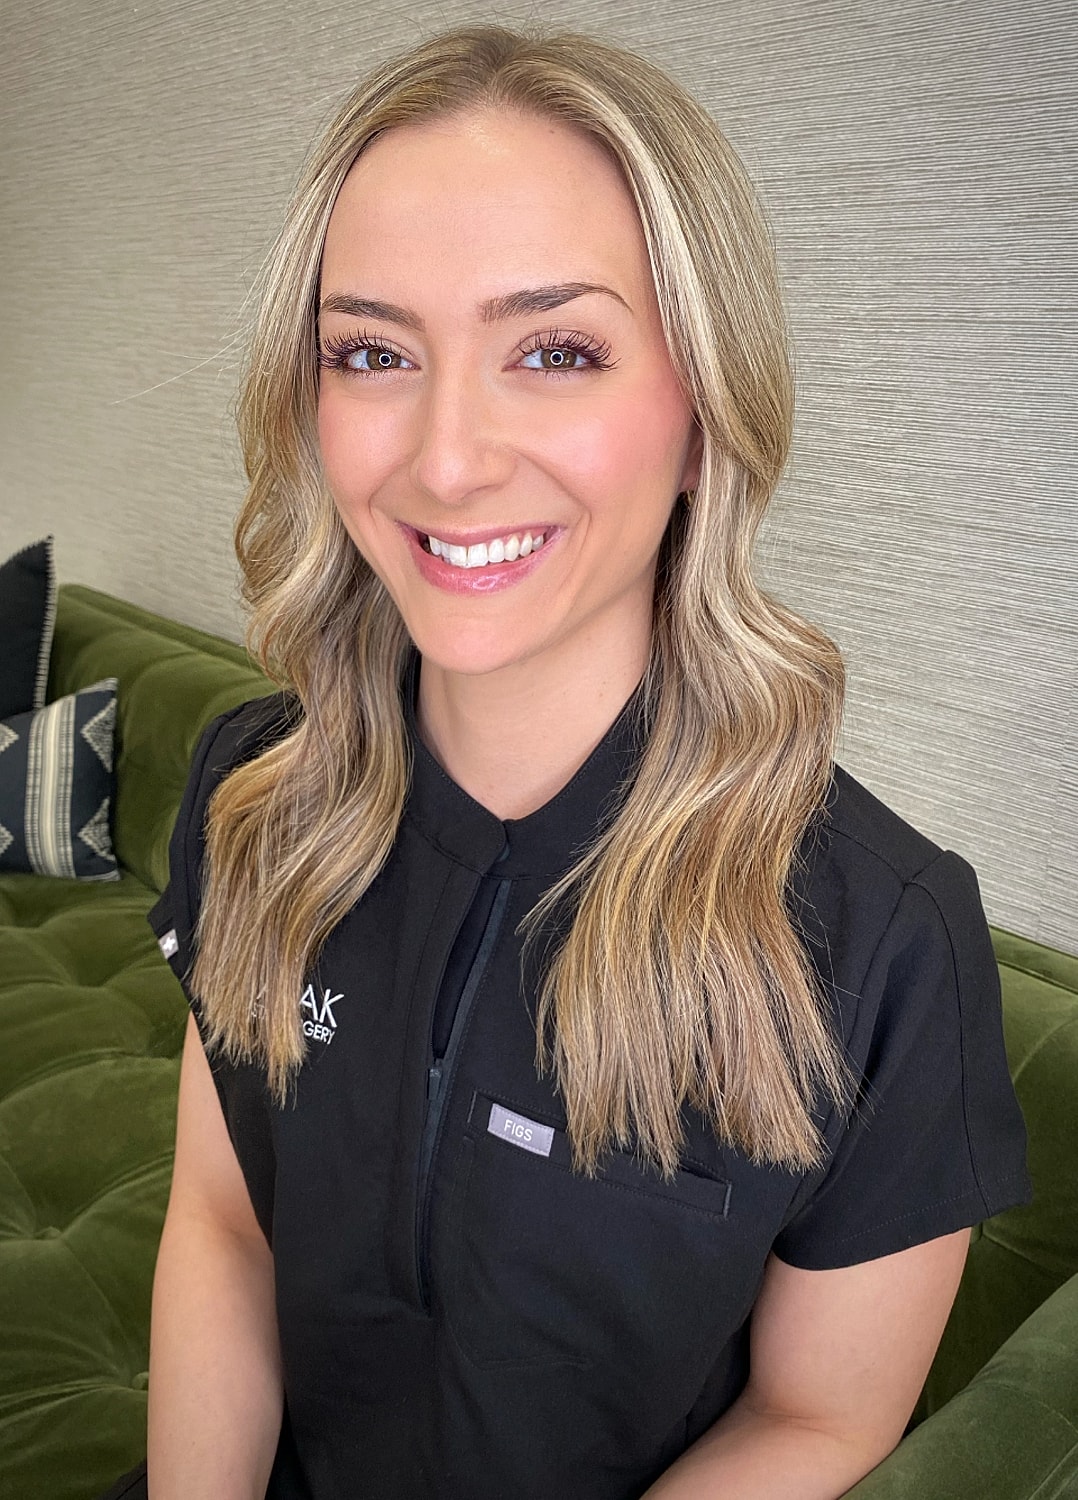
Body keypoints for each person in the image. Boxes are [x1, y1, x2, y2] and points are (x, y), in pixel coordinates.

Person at [106, 21, 1033, 1500]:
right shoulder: (257, 796)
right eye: (373, 352)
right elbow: (224, 1227)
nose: (446, 458)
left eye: (554, 351)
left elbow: (819, 1415)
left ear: (701, 415)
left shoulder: (885, 944)